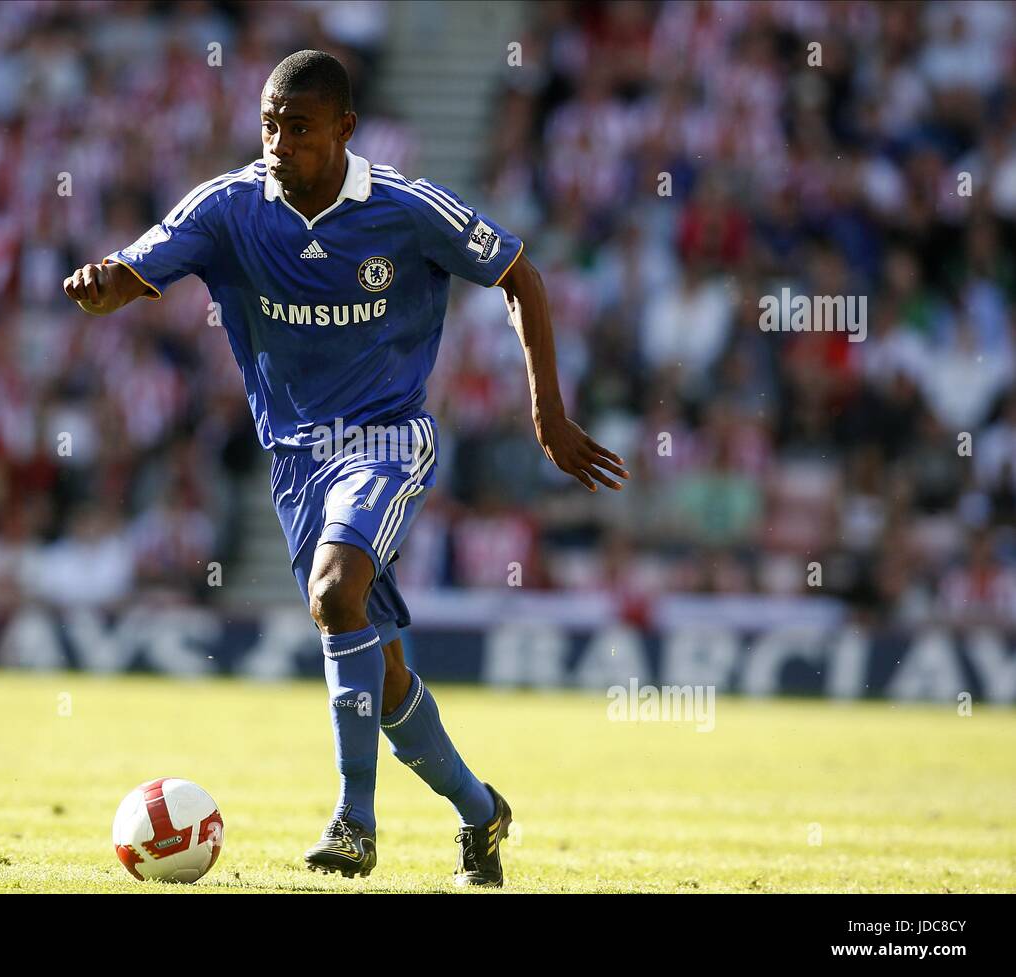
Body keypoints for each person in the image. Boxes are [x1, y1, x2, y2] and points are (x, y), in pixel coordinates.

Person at [64, 49, 627, 887]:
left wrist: (546, 408)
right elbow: (135, 269)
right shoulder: (229, 207)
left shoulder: (405, 209)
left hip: (388, 442)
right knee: (384, 671)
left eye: (297, 129)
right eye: (268, 126)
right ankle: (481, 814)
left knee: (336, 594)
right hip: (294, 465)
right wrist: (105, 284)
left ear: (344, 130)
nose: (278, 145)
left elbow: (520, 274)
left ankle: (353, 822)